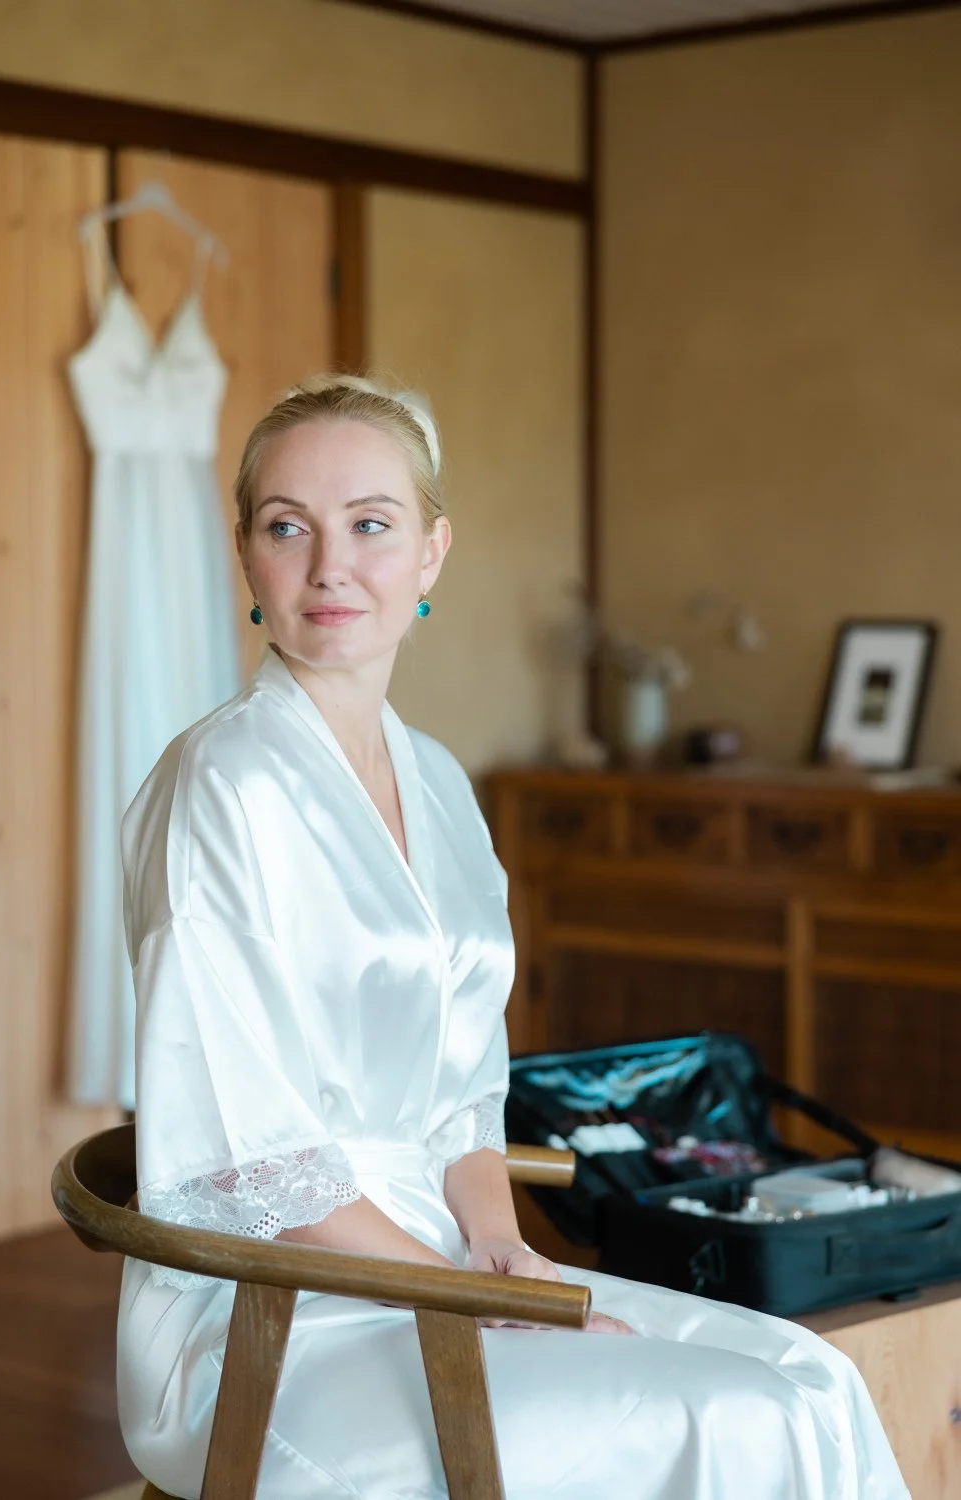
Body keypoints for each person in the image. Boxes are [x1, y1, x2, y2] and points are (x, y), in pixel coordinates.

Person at [117, 375, 909, 1499]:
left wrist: (498, 1244)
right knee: (741, 1418)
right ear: (246, 553)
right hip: (272, 1312)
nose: (330, 565)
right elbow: (249, 1164)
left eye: (371, 525)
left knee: (812, 1378)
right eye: (287, 527)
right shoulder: (222, 785)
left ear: (431, 553)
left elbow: (461, 1097)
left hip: (438, 1260)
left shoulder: (439, 783)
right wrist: (477, 1294)